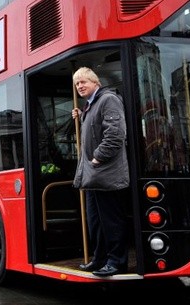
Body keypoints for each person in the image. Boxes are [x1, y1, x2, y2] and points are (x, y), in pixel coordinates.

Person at [71, 67, 130, 277]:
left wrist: (97, 158)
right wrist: (81, 116)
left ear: (95, 82)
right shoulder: (90, 106)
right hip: (94, 175)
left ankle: (117, 262)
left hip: (106, 173)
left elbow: (115, 135)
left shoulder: (108, 100)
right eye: (77, 84)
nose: (80, 86)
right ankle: (100, 259)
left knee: (111, 221)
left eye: (83, 82)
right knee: (96, 222)